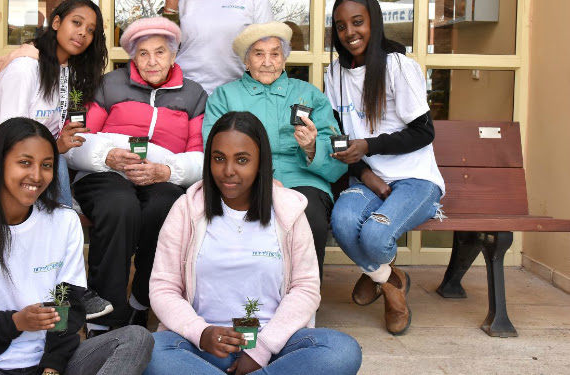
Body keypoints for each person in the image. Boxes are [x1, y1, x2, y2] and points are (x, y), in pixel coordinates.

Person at [144, 112, 362, 375]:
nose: (228, 171)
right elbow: (163, 287)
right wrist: (201, 333)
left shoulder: (288, 210)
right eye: (218, 158)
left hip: (275, 347)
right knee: (148, 350)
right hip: (204, 348)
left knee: (341, 351)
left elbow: (305, 289)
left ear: (260, 163)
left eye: (242, 160)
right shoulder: (187, 209)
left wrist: (261, 350)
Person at [0, 118, 153, 375]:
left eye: (46, 165)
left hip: (54, 364)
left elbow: (66, 308)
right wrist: (15, 323)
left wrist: (52, 368)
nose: (37, 176)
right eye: (25, 163)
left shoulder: (63, 222)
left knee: (136, 339)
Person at [63, 17, 207, 337]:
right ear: (132, 56)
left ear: (173, 55)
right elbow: (75, 140)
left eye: (160, 52)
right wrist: (107, 156)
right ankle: (105, 314)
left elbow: (201, 156)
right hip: (105, 173)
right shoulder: (109, 84)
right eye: (143, 53)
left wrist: (167, 171)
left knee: (166, 208)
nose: (152, 61)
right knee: (119, 206)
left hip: (162, 177)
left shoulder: (194, 95)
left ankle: (141, 302)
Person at [325, 0, 446, 335]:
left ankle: (375, 275)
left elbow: (424, 132)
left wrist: (370, 146)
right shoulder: (334, 73)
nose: (350, 32)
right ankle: (391, 280)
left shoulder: (398, 66)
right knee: (343, 222)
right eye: (341, 25)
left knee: (376, 236)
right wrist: (368, 175)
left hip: (415, 179)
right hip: (369, 178)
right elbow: (338, 136)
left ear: (374, 22)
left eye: (358, 22)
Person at [204, 22, 347, 280]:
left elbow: (339, 151)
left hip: (303, 177)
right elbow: (213, 149)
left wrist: (313, 147)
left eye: (275, 54)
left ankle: (305, 297)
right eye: (259, 54)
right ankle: (250, 299)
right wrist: (261, 179)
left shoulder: (310, 95)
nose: (268, 62)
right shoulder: (224, 97)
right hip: (244, 181)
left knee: (309, 214)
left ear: (284, 59)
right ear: (246, 61)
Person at [0, 0, 106, 209]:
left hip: (36, 175)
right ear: (56, 23)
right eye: (76, 23)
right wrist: (55, 147)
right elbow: (10, 138)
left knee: (54, 162)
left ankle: (61, 221)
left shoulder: (68, 75)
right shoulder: (23, 70)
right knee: (53, 162)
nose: (83, 33)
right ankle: (62, 220)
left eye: (90, 30)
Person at [160, 0, 273, 94]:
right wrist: (170, 8)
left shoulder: (258, 2)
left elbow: (267, 47)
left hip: (235, 92)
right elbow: (167, 44)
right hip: (185, 90)